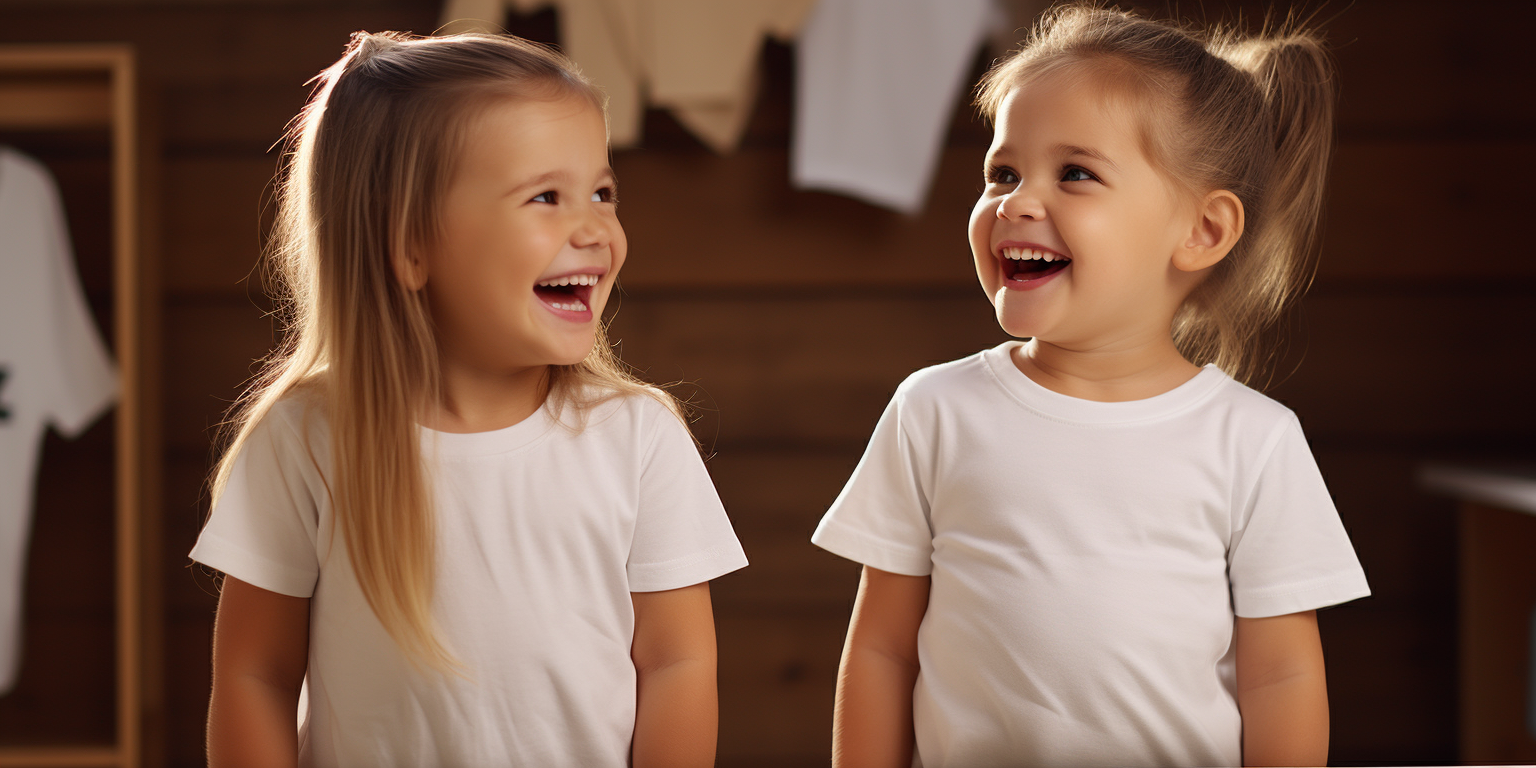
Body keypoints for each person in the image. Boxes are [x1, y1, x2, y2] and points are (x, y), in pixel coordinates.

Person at [811, 4, 1370, 767]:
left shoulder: (1253, 441)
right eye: (1002, 173)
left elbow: (1283, 675)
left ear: (1202, 230)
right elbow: (880, 650)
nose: (1015, 202)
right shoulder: (934, 413)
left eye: (1075, 173)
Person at [190, 31, 747, 768]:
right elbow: (253, 675)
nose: (595, 228)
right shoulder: (305, 440)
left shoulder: (639, 440)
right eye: (546, 197)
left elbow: (677, 664)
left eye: (602, 192)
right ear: (412, 244)